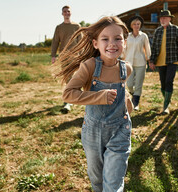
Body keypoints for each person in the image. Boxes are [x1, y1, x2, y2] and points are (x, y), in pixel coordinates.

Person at [56, 16, 133, 192]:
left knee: (113, 185)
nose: (112, 43)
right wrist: (99, 96)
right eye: (105, 39)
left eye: (117, 38)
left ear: (125, 42)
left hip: (121, 131)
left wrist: (127, 106)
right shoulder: (90, 66)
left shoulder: (126, 68)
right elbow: (68, 94)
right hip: (93, 132)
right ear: (95, 43)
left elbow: (123, 90)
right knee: (98, 182)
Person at [149, 10, 178, 115]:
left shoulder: (175, 29)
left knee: (169, 81)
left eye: (165, 18)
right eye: (161, 18)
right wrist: (152, 61)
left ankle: (165, 106)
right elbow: (154, 47)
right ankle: (167, 100)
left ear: (170, 19)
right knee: (163, 83)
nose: (162, 20)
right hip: (160, 61)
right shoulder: (158, 31)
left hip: (172, 60)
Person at [51, 5, 81, 113]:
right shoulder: (59, 27)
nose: (67, 13)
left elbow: (81, 42)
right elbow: (55, 41)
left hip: (75, 55)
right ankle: (70, 99)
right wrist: (53, 55)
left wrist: (82, 56)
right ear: (62, 13)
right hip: (64, 56)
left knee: (73, 76)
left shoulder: (77, 26)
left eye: (68, 11)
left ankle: (70, 99)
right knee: (67, 77)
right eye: (65, 11)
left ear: (71, 13)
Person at [124, 15, 151, 110]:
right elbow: (124, 49)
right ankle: (133, 94)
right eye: (134, 24)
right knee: (130, 84)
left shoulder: (144, 36)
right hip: (129, 63)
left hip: (141, 63)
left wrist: (149, 60)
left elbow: (147, 49)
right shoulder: (127, 36)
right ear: (131, 26)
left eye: (138, 24)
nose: (136, 26)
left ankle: (135, 103)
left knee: (138, 84)